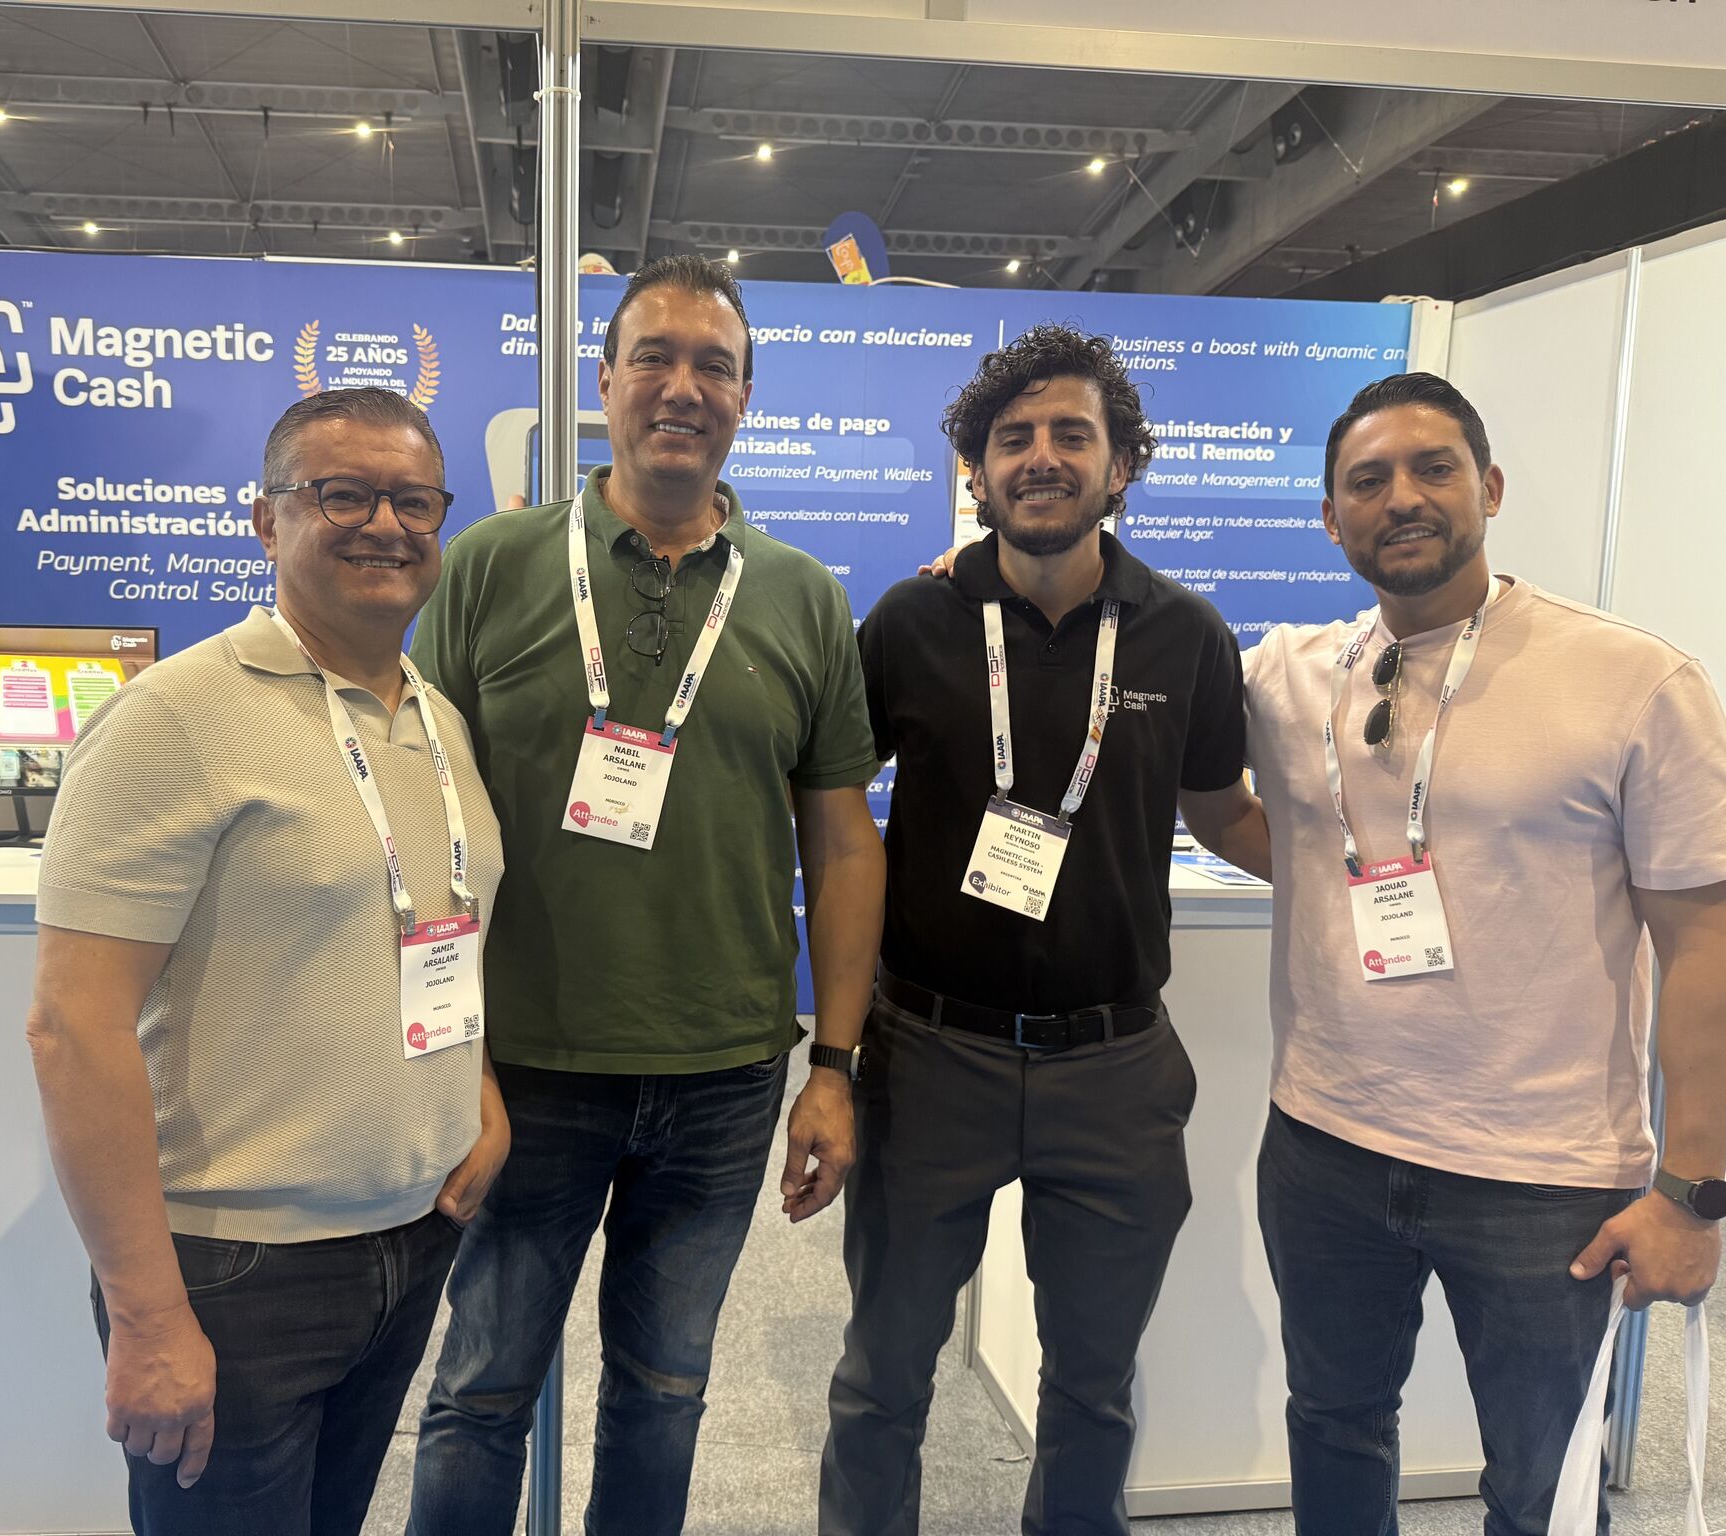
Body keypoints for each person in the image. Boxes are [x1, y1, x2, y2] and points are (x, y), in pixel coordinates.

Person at [406, 254, 886, 1536]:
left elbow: (844, 847)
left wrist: (833, 1066)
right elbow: (422, 815)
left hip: (722, 1078)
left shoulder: (803, 598)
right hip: (526, 1068)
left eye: (712, 365)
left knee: (664, 1394)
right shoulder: (491, 565)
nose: (681, 387)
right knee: (479, 1390)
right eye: (654, 358)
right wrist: (449, 1048)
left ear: (745, 398)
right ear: (603, 379)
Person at [1202, 371, 1726, 1534]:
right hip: (1324, 1145)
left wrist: (1693, 1195)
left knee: (1542, 1485)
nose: (1400, 496)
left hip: (1544, 1176)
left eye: (1431, 467)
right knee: (1333, 1424)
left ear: (1486, 487)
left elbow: (1703, 942)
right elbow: (1228, 806)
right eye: (1366, 480)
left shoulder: (1633, 680)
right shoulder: (1286, 674)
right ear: (1328, 517)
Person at [25, 387, 509, 1534]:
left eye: (413, 501)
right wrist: (147, 1316)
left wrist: (476, 1093)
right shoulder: (174, 718)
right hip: (235, 1272)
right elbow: (72, 1027)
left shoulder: (434, 719)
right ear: (265, 518)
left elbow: (420, 938)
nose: (384, 524)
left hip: (406, 1241)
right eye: (342, 494)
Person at [820, 323, 1257, 1536]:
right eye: (1012, 438)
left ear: (1121, 464)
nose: (1042, 457)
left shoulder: (1184, 633)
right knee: (882, 1378)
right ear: (976, 469)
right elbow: (830, 810)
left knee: (1091, 1390)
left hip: (1112, 1069)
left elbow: (1224, 813)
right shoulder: (910, 623)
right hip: (930, 1058)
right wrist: (829, 1055)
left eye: (1072, 433)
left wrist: (1373, 878)